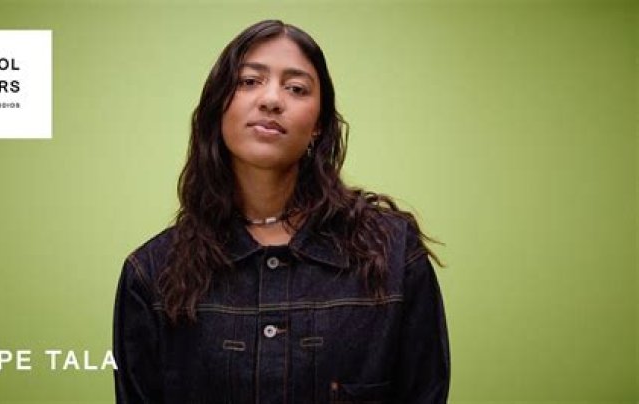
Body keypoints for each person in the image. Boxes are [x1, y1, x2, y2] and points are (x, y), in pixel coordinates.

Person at [113, 19, 450, 404]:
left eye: (296, 88)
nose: (272, 99)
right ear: (217, 107)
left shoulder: (393, 254)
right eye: (249, 81)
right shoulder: (151, 274)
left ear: (319, 124)